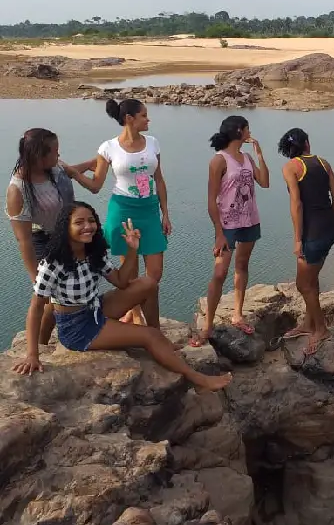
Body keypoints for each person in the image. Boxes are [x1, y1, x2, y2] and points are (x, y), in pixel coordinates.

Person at [12, 201, 231, 392]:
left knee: (148, 283)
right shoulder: (53, 262)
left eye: (91, 220)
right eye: (79, 222)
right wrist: (33, 353)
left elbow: (121, 281)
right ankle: (199, 380)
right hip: (78, 329)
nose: (87, 226)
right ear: (65, 227)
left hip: (95, 308)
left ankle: (159, 341)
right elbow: (36, 308)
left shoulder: (92, 252)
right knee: (148, 337)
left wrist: (132, 250)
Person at [65, 99, 171, 326]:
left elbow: (159, 180)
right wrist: (73, 173)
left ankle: (150, 325)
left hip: (150, 210)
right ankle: (135, 315)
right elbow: (96, 186)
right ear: (130, 119)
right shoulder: (108, 148)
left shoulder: (153, 143)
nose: (148, 119)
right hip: (123, 210)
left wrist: (165, 213)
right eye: (144, 115)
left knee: (154, 275)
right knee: (129, 274)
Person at [5, 128, 97, 344]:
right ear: (39, 155)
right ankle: (37, 347)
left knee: (62, 296)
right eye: (55, 151)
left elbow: (67, 172)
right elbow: (24, 239)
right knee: (46, 299)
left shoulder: (53, 168)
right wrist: (34, 277)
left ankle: (42, 344)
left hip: (67, 237)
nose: (59, 154)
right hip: (43, 241)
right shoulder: (18, 189)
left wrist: (90, 164)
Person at [190, 115, 269, 347]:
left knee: (242, 267)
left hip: (250, 220)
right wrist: (219, 233)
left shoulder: (246, 157)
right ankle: (208, 326)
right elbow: (211, 200)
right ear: (238, 131)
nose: (249, 132)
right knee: (219, 273)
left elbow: (264, 182)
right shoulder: (218, 161)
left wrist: (259, 155)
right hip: (227, 225)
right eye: (247, 129)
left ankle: (237, 314)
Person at [278, 128, 334, 356]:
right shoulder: (323, 163)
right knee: (311, 281)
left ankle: (321, 329)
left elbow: (296, 204)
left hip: (312, 234)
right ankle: (307, 324)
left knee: (303, 285)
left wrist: (297, 240)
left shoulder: (290, 167)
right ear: (307, 143)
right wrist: (332, 221)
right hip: (328, 229)